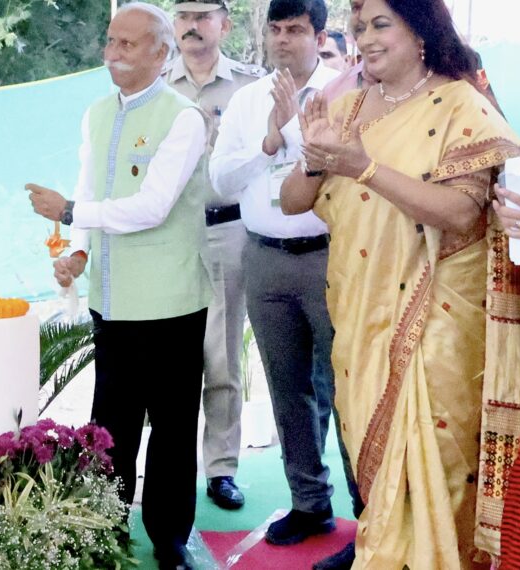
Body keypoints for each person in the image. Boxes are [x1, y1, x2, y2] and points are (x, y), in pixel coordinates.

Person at [279, 0, 520, 565]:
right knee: (380, 479)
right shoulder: (347, 106)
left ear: (421, 32)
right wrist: (317, 157)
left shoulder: (462, 104)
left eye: (380, 24)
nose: (364, 38)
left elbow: (463, 213)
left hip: (436, 322)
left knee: (433, 469)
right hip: (360, 316)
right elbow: (293, 201)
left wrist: (364, 167)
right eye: (359, 27)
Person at [26, 3, 210, 567]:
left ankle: (170, 536)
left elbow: (152, 207)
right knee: (112, 425)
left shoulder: (185, 117)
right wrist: (77, 252)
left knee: (174, 426)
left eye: (128, 44)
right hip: (113, 300)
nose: (112, 53)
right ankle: (104, 523)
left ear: (162, 53)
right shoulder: (97, 113)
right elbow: (88, 185)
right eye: (110, 41)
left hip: (172, 300)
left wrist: (71, 210)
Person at [208, 0, 346, 548]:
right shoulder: (246, 100)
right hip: (263, 256)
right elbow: (220, 179)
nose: (283, 40)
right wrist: (268, 139)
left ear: (319, 34)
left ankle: (370, 509)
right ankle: (310, 503)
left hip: (332, 257)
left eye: (296, 30)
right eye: (276, 29)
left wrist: (296, 135)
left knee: (346, 387)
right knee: (287, 389)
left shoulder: (348, 92)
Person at [165, 0, 263, 512]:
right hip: (165, 237)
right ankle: (165, 468)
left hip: (227, 230)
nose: (191, 25)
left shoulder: (251, 86)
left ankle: (221, 468)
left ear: (224, 25)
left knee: (222, 354)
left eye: (203, 14)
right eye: (182, 14)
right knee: (168, 356)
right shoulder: (155, 83)